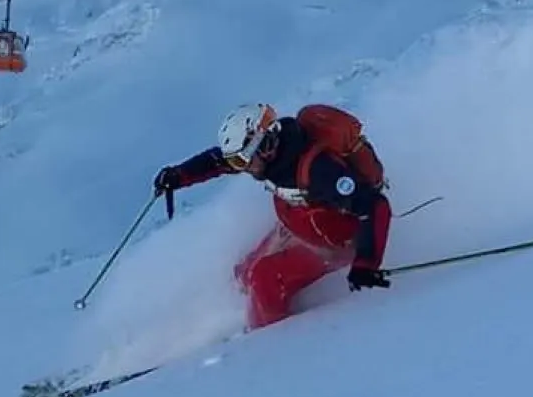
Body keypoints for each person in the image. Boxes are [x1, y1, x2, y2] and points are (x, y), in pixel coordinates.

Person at [154, 102, 393, 330]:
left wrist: (366, 264)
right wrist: (179, 175)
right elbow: (217, 161)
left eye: (242, 160)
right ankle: (242, 316)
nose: (241, 167)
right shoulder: (267, 158)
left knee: (263, 278)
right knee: (244, 272)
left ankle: (270, 341)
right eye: (237, 161)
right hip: (301, 223)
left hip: (333, 243)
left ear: (265, 145)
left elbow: (374, 206)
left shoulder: (318, 170)